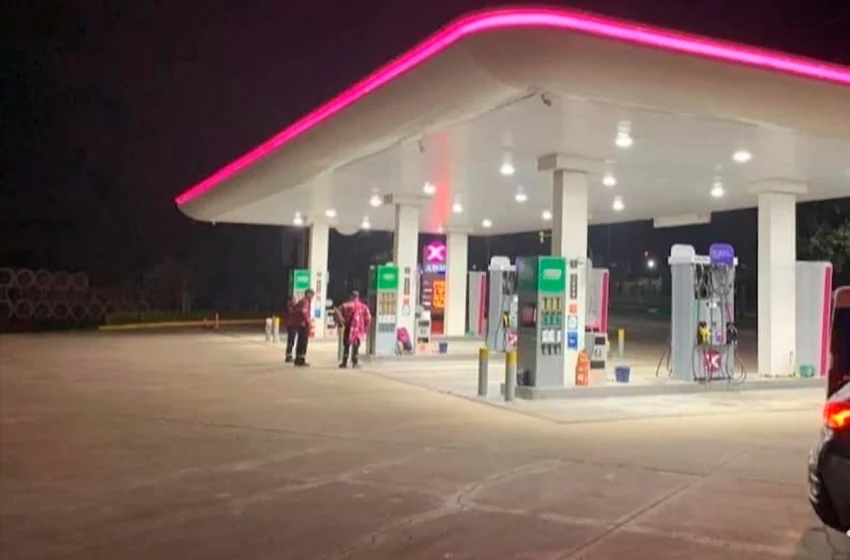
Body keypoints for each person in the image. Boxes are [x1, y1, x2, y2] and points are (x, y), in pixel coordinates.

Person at [338, 290, 371, 368]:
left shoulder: (346, 305)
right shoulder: (363, 307)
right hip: (358, 329)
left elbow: (338, 311)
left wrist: (341, 321)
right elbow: (368, 318)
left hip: (348, 327)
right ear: (358, 297)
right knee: (356, 346)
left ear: (351, 297)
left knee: (346, 345)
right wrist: (365, 327)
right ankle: (355, 362)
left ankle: (344, 362)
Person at [292, 289, 314, 367]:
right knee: (303, 342)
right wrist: (308, 322)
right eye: (312, 295)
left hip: (300, 324)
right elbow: (304, 312)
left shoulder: (302, 301)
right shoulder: (305, 301)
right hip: (304, 325)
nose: (312, 297)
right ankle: (301, 360)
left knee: (300, 342)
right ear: (308, 294)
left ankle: (298, 359)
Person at [284, 295, 298, 363]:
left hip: (292, 325)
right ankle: (288, 356)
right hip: (291, 325)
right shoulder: (290, 306)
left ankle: (289, 356)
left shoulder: (291, 306)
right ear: (291, 300)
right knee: (290, 341)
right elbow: (292, 314)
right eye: (294, 299)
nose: (295, 300)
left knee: (291, 341)